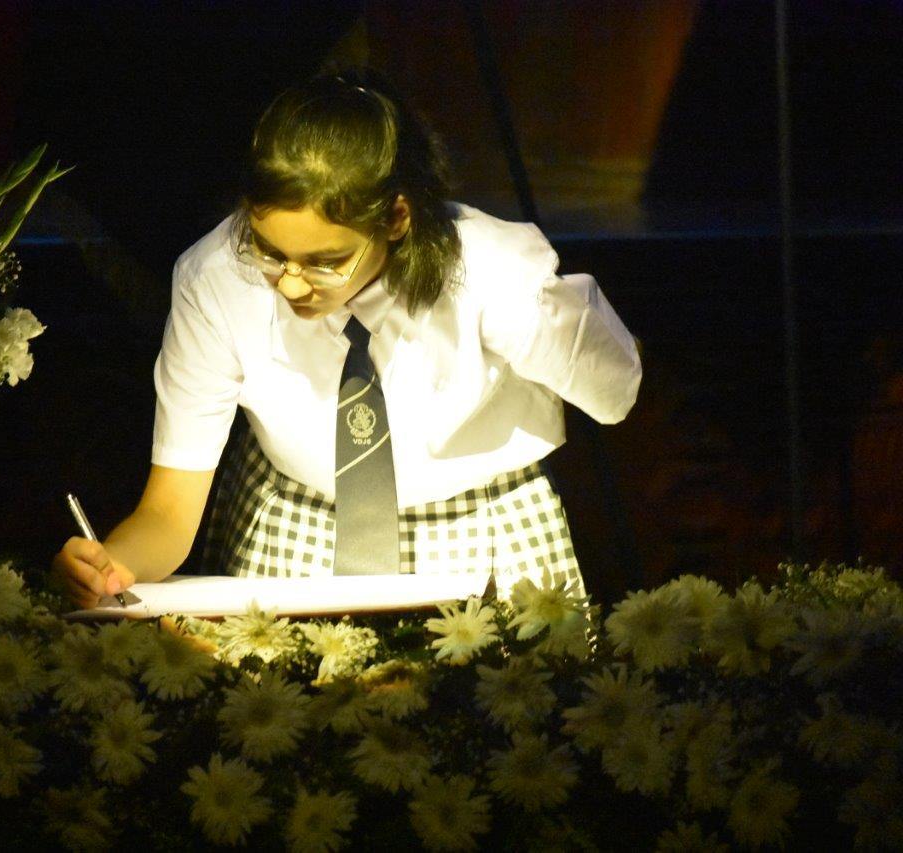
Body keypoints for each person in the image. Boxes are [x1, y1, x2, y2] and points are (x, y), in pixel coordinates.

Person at [52, 69, 642, 610]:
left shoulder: (490, 273)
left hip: (483, 523)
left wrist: (543, 315)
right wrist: (113, 565)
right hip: (297, 518)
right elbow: (169, 512)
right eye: (269, 251)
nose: (291, 282)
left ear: (397, 219)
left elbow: (616, 392)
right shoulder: (216, 279)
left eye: (325, 261)